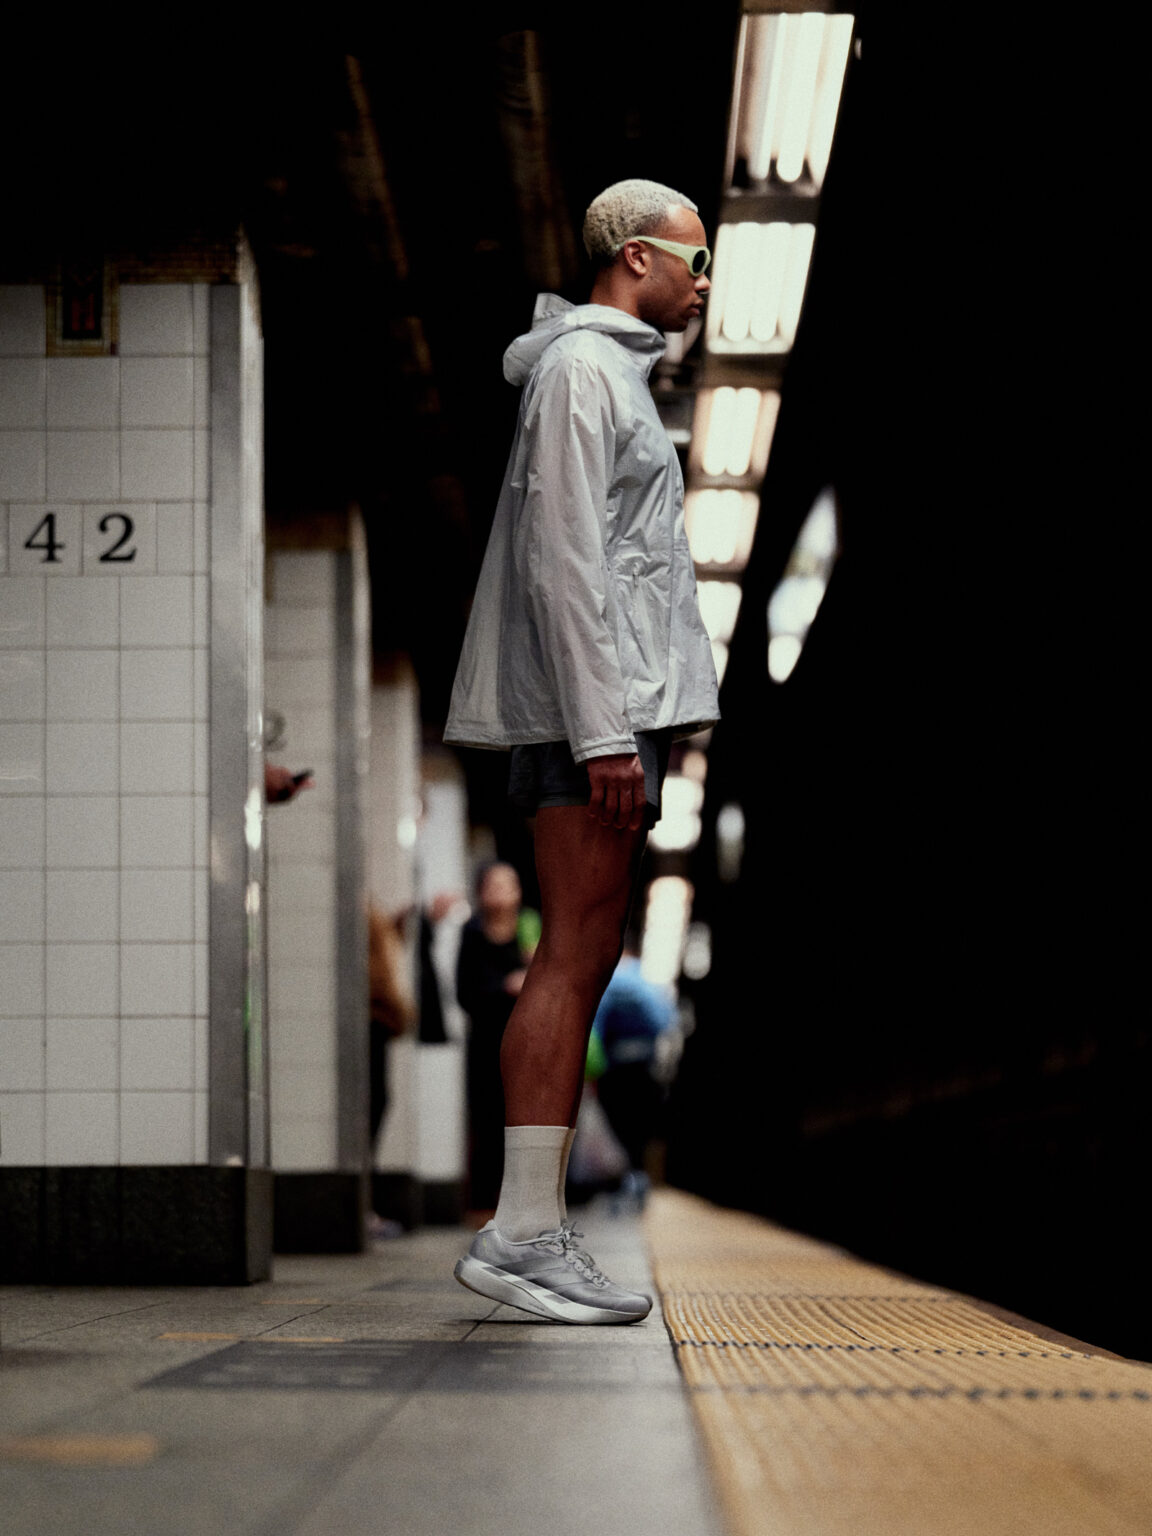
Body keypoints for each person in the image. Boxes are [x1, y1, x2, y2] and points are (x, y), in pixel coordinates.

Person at [443, 178, 720, 1324]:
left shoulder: (607, 374)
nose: (703, 285)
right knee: (570, 954)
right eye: (696, 261)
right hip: (586, 716)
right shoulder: (579, 374)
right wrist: (606, 734)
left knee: (587, 949)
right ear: (637, 256)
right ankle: (522, 1234)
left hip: (601, 711)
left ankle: (531, 1226)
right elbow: (562, 560)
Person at [455, 862, 534, 1220]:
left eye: (508, 884)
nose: (501, 892)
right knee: (486, 1120)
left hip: (526, 1041)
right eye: (493, 885)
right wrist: (505, 986)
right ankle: (484, 1203)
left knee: (524, 1119)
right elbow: (464, 992)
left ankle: (524, 1200)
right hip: (486, 1042)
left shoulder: (530, 929)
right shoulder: (472, 932)